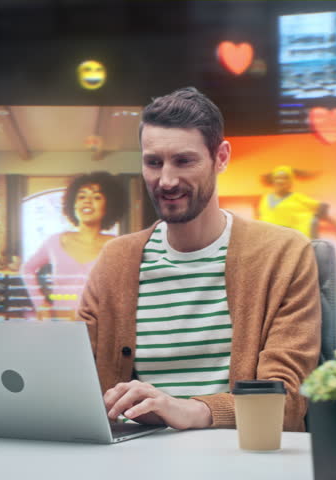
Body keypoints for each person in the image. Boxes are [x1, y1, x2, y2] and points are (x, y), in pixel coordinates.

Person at [76, 87, 321, 432]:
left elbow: (286, 401)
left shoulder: (284, 253)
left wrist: (191, 411)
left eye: (184, 161)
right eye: (153, 162)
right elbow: (76, 380)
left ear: (220, 157)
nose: (167, 180)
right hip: (134, 460)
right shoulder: (116, 259)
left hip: (241, 460)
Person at [21, 172, 126, 321]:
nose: (87, 202)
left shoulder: (119, 246)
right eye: (81, 197)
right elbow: (27, 269)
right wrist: (41, 304)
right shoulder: (55, 241)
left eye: (96, 197)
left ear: (108, 206)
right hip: (60, 328)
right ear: (73, 204)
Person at [257, 165, 336, 239]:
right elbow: (261, 219)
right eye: (277, 178)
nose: (280, 181)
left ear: (290, 182)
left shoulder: (297, 197)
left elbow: (321, 209)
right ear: (273, 181)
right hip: (268, 240)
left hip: (289, 240)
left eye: (285, 178)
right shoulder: (265, 198)